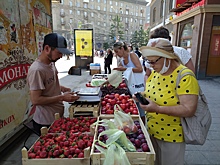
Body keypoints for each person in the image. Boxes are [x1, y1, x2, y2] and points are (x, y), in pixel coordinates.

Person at [135, 38, 199, 165]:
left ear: (167, 58)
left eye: (153, 62)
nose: (151, 66)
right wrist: (140, 95)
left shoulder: (185, 76)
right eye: (149, 62)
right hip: (152, 131)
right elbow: (154, 92)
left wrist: (158, 109)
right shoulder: (156, 72)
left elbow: (189, 109)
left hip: (171, 138)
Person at [27, 33, 80, 135]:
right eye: (59, 52)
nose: (61, 56)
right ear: (47, 48)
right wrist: (62, 98)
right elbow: (36, 100)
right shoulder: (37, 70)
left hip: (56, 117)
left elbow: (49, 85)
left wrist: (63, 88)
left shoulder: (51, 64)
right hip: (45, 122)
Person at [112, 41, 146, 125]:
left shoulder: (132, 55)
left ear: (122, 48)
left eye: (117, 51)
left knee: (141, 108)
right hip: (131, 86)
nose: (116, 54)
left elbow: (140, 69)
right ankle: (135, 125)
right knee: (134, 107)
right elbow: (118, 72)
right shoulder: (122, 60)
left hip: (138, 85)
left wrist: (125, 69)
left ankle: (142, 126)